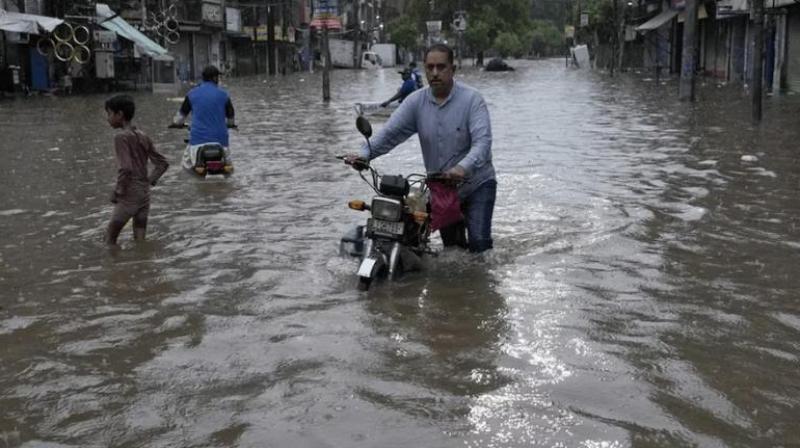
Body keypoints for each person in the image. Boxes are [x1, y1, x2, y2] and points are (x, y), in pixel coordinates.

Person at [348, 43, 497, 253]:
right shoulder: (415, 102)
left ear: (452, 70)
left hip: (477, 183)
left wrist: (461, 169)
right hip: (442, 188)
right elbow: (389, 134)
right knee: (452, 251)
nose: (435, 73)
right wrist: (364, 155)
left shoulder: (472, 100)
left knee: (479, 243)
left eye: (441, 67)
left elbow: (483, 144)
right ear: (425, 69)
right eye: (430, 67)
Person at [104, 95, 169, 245]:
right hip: (144, 194)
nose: (108, 118)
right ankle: (141, 264)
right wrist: (149, 181)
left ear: (119, 115)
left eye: (109, 114)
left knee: (109, 239)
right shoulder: (142, 135)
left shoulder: (121, 137)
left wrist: (118, 191)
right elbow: (162, 163)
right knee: (140, 240)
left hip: (129, 194)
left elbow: (126, 168)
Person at [172, 65, 235, 151]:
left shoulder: (191, 94)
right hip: (221, 143)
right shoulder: (224, 95)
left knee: (186, 163)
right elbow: (231, 118)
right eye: (218, 77)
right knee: (228, 163)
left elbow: (179, 118)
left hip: (197, 143)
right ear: (214, 78)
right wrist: (230, 125)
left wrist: (177, 123)